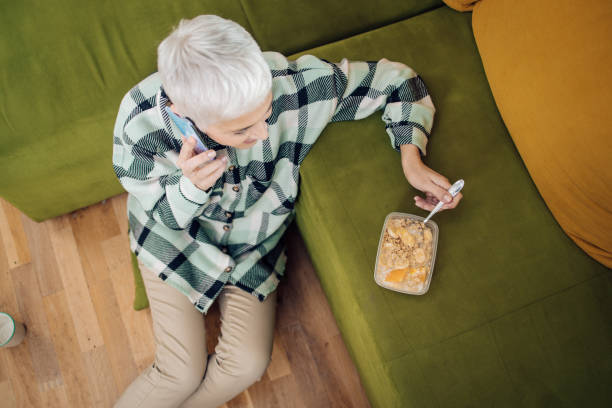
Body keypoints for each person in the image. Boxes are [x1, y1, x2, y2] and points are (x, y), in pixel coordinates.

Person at [111, 14, 462, 408]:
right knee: (179, 373)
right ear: (184, 113)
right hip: (175, 240)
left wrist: (411, 160)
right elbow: (165, 216)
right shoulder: (138, 127)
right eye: (242, 130)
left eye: (265, 113)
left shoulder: (293, 87)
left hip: (254, 247)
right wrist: (189, 189)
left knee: (246, 365)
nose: (264, 134)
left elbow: (401, 82)